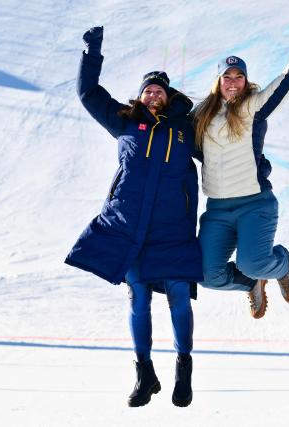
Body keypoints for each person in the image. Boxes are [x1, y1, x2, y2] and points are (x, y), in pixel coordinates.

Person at [64, 26, 203, 408]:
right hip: (129, 228)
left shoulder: (186, 129)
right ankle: (144, 372)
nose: (153, 93)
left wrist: (259, 168)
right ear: (140, 96)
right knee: (138, 299)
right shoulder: (124, 121)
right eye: (148, 89)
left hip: (173, 228)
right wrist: (92, 51)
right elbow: (89, 93)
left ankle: (183, 369)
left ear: (170, 96)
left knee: (178, 297)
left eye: (160, 89)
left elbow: (224, 154)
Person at [192, 11, 289, 319]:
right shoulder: (201, 117)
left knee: (252, 261)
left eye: (239, 77)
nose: (233, 82)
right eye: (227, 77)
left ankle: (281, 263)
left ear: (246, 81)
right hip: (217, 210)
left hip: (255, 204)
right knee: (205, 274)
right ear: (218, 81)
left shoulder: (254, 107)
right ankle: (252, 283)